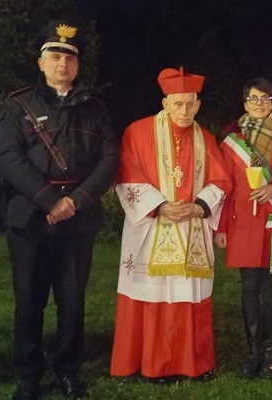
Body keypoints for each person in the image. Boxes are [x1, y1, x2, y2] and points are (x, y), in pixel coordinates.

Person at [0, 21, 120, 400]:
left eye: (69, 56)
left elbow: (110, 160)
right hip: (29, 218)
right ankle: (28, 374)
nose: (62, 62)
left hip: (78, 220)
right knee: (28, 299)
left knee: (71, 299)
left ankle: (68, 370)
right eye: (55, 55)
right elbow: (8, 158)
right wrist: (50, 200)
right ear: (41, 62)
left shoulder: (96, 110)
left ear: (77, 65)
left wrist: (76, 202)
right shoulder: (18, 105)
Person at [110, 67, 232, 382]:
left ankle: (194, 363)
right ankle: (153, 363)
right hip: (151, 226)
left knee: (189, 295)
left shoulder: (205, 138)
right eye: (177, 104)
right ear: (165, 103)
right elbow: (127, 174)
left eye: (190, 104)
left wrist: (199, 206)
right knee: (153, 295)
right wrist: (161, 206)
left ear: (198, 103)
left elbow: (221, 179)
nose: (184, 111)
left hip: (192, 225)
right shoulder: (136, 132)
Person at [214, 78, 272, 379]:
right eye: (253, 99)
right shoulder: (231, 143)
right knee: (249, 289)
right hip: (242, 223)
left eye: (265, 98)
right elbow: (224, 186)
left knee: (269, 289)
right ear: (244, 104)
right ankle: (252, 350)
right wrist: (221, 227)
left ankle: (271, 350)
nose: (259, 103)